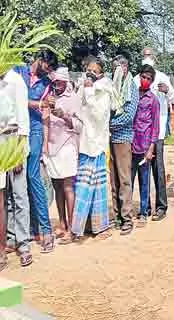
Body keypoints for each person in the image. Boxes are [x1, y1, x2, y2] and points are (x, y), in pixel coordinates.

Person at [14, 50, 58, 252]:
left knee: (34, 179)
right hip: (14, 132)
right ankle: (18, 233)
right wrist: (38, 103)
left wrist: (46, 145)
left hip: (34, 131)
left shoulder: (46, 83)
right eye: (47, 67)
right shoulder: (17, 71)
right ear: (40, 60)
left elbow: (46, 113)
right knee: (14, 183)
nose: (48, 71)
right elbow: (12, 101)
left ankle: (46, 232)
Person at [70, 57, 115, 241]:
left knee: (97, 187)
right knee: (83, 187)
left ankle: (99, 226)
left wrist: (89, 90)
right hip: (85, 143)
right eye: (89, 69)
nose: (91, 73)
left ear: (101, 73)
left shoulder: (104, 90)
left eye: (95, 71)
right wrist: (85, 89)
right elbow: (77, 110)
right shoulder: (83, 87)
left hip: (98, 145)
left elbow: (98, 115)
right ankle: (80, 227)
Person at [135, 49, 174, 221]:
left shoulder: (162, 78)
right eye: (144, 55)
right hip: (139, 135)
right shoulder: (136, 78)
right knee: (142, 171)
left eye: (149, 55)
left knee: (158, 170)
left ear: (154, 58)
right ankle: (145, 206)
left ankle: (161, 206)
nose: (147, 57)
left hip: (157, 133)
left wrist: (168, 91)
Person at [43, 67, 81, 244]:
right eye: (54, 81)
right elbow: (44, 121)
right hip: (52, 147)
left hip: (67, 146)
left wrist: (64, 116)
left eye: (59, 81)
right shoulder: (49, 97)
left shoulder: (73, 99)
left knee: (68, 187)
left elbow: (80, 125)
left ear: (66, 81)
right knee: (57, 186)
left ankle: (72, 228)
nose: (56, 84)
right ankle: (62, 223)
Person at [1, 64, 30, 269]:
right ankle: (10, 237)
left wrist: (19, 152)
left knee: (19, 194)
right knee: (5, 196)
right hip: (1, 142)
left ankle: (24, 243)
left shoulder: (16, 81)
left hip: (14, 141)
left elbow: (22, 118)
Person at [109, 55, 138, 235]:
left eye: (119, 67)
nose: (116, 70)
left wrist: (108, 124)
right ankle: (117, 215)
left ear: (126, 67)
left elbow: (128, 116)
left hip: (123, 138)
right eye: (113, 68)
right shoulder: (112, 87)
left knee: (124, 180)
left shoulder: (131, 88)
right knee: (113, 181)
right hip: (108, 139)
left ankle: (127, 218)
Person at [130, 64, 160, 228]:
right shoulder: (132, 96)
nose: (145, 80)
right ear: (139, 76)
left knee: (144, 181)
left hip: (145, 146)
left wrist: (151, 149)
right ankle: (127, 213)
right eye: (144, 77)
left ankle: (143, 212)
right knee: (128, 181)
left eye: (149, 79)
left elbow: (155, 127)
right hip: (130, 145)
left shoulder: (153, 100)